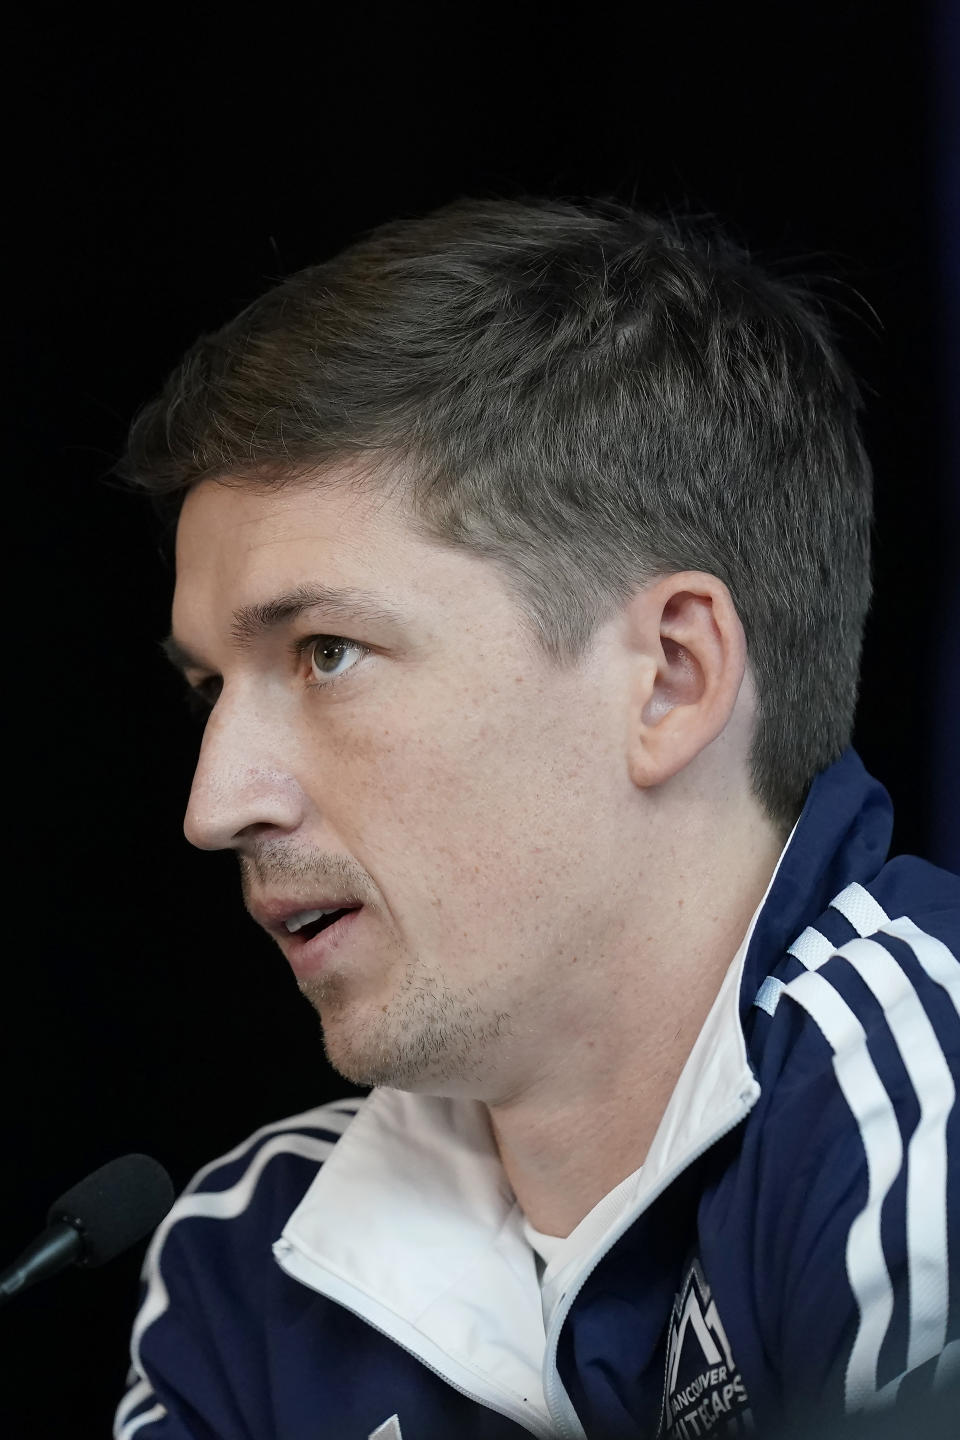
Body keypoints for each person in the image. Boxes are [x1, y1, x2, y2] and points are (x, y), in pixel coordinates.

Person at [112, 198, 959, 1440]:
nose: (215, 804)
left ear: (669, 677)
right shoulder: (243, 1269)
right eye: (207, 690)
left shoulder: (922, 1087)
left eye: (326, 652)